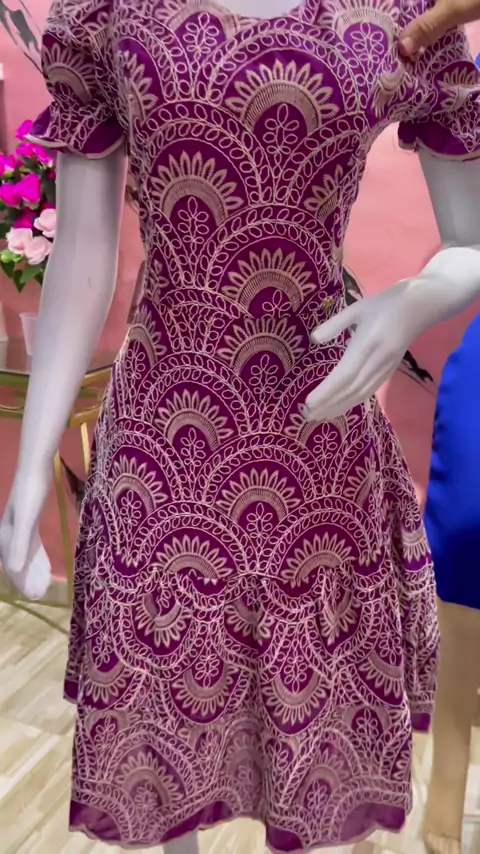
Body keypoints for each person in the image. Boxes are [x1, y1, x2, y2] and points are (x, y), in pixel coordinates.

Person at [2, 1, 480, 852]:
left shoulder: (401, 13)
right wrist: (33, 461)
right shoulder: (111, 13)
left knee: (315, 731)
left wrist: (416, 300)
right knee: (161, 733)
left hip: (319, 451)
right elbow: (83, 249)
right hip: (162, 446)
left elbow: (472, 239)